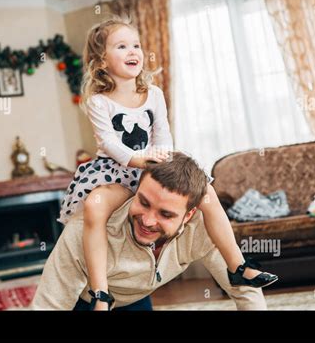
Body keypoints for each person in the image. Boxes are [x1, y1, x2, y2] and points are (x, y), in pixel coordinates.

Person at [57, 16, 277, 310]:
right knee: (95, 207)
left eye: (135, 45)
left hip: (153, 169)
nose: (132, 51)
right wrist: (136, 159)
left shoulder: (154, 94)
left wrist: (163, 163)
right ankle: (100, 292)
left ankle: (238, 267)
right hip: (115, 172)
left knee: (207, 192)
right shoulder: (99, 101)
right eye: (121, 46)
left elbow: (162, 134)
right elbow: (108, 142)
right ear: (102, 62)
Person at [33, 152, 267, 310]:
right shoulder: (85, 230)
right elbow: (48, 305)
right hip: (86, 303)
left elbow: (242, 288)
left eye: (165, 214)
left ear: (188, 216)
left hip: (136, 300)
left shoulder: (203, 230)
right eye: (143, 202)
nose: (147, 220)